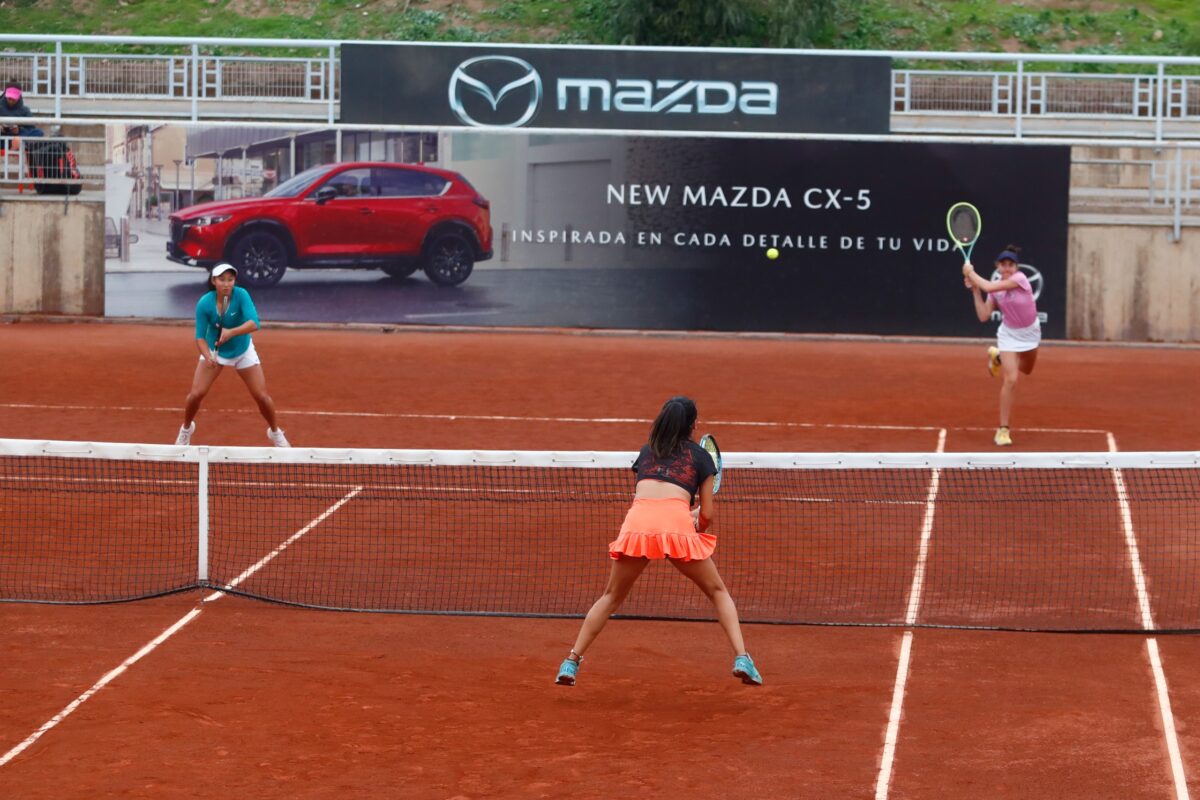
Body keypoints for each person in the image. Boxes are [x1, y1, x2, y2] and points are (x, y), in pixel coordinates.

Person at [554, 396, 762, 687]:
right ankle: (742, 657)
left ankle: (571, 662)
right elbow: (707, 515)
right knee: (717, 591)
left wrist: (685, 511)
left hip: (637, 526)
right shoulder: (701, 458)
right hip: (676, 528)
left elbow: (649, 495)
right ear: (692, 425)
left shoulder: (646, 452)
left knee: (610, 597)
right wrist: (696, 520)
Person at [175, 263, 291, 447]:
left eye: (230, 280)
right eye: (222, 280)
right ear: (214, 281)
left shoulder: (242, 295)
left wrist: (230, 332)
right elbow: (199, 338)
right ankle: (186, 429)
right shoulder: (205, 303)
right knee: (196, 394)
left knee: (261, 396)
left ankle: (275, 432)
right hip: (215, 350)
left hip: (242, 349)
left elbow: (255, 323)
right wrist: (208, 356)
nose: (227, 284)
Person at [963, 245, 1040, 447]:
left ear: (1016, 268)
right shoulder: (995, 289)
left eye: (1011, 265)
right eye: (1003, 265)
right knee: (1011, 379)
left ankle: (997, 357)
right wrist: (975, 290)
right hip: (1008, 334)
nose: (1007, 268)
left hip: (1030, 333)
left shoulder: (1020, 280)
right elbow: (983, 315)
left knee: (1027, 369)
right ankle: (1003, 429)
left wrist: (971, 272)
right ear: (998, 267)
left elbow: (989, 286)